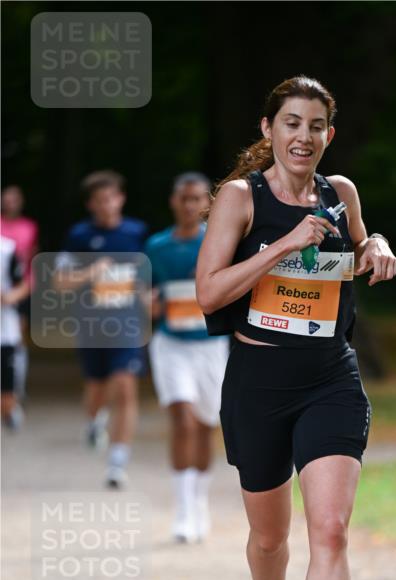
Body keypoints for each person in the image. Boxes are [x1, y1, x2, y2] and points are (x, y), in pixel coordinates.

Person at [196, 76, 396, 580]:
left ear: (328, 135)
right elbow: (208, 292)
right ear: (268, 129)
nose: (302, 136)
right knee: (268, 539)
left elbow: (358, 248)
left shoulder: (341, 194)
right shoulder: (239, 198)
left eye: (314, 126)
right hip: (257, 383)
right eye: (290, 123)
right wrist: (282, 245)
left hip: (329, 378)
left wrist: (375, 245)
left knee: (330, 530)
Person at [146, 173, 229, 542]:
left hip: (210, 346)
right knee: (182, 418)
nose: (190, 205)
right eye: (184, 198)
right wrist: (148, 304)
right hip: (171, 343)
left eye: (197, 198)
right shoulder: (156, 246)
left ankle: (199, 500)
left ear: (207, 204)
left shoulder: (219, 242)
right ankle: (182, 510)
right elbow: (146, 292)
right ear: (173, 202)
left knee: (206, 425)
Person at [57, 171, 149, 488]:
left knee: (124, 386)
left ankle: (117, 462)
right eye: (99, 200)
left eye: (110, 198)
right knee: (96, 389)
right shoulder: (79, 236)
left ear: (121, 199)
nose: (106, 205)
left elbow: (148, 276)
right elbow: (60, 283)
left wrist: (147, 295)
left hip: (128, 325)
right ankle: (94, 421)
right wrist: (92, 272)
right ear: (90, 205)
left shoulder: (137, 233)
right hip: (92, 326)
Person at [0, 184, 39, 414]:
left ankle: (15, 389)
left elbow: (31, 255)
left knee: (16, 338)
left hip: (18, 286)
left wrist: (24, 287)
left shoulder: (29, 226)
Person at [1, 234, 30, 427]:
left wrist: (9, 297)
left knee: (6, 394)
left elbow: (23, 286)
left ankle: (10, 408)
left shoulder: (6, 249)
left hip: (4, 331)